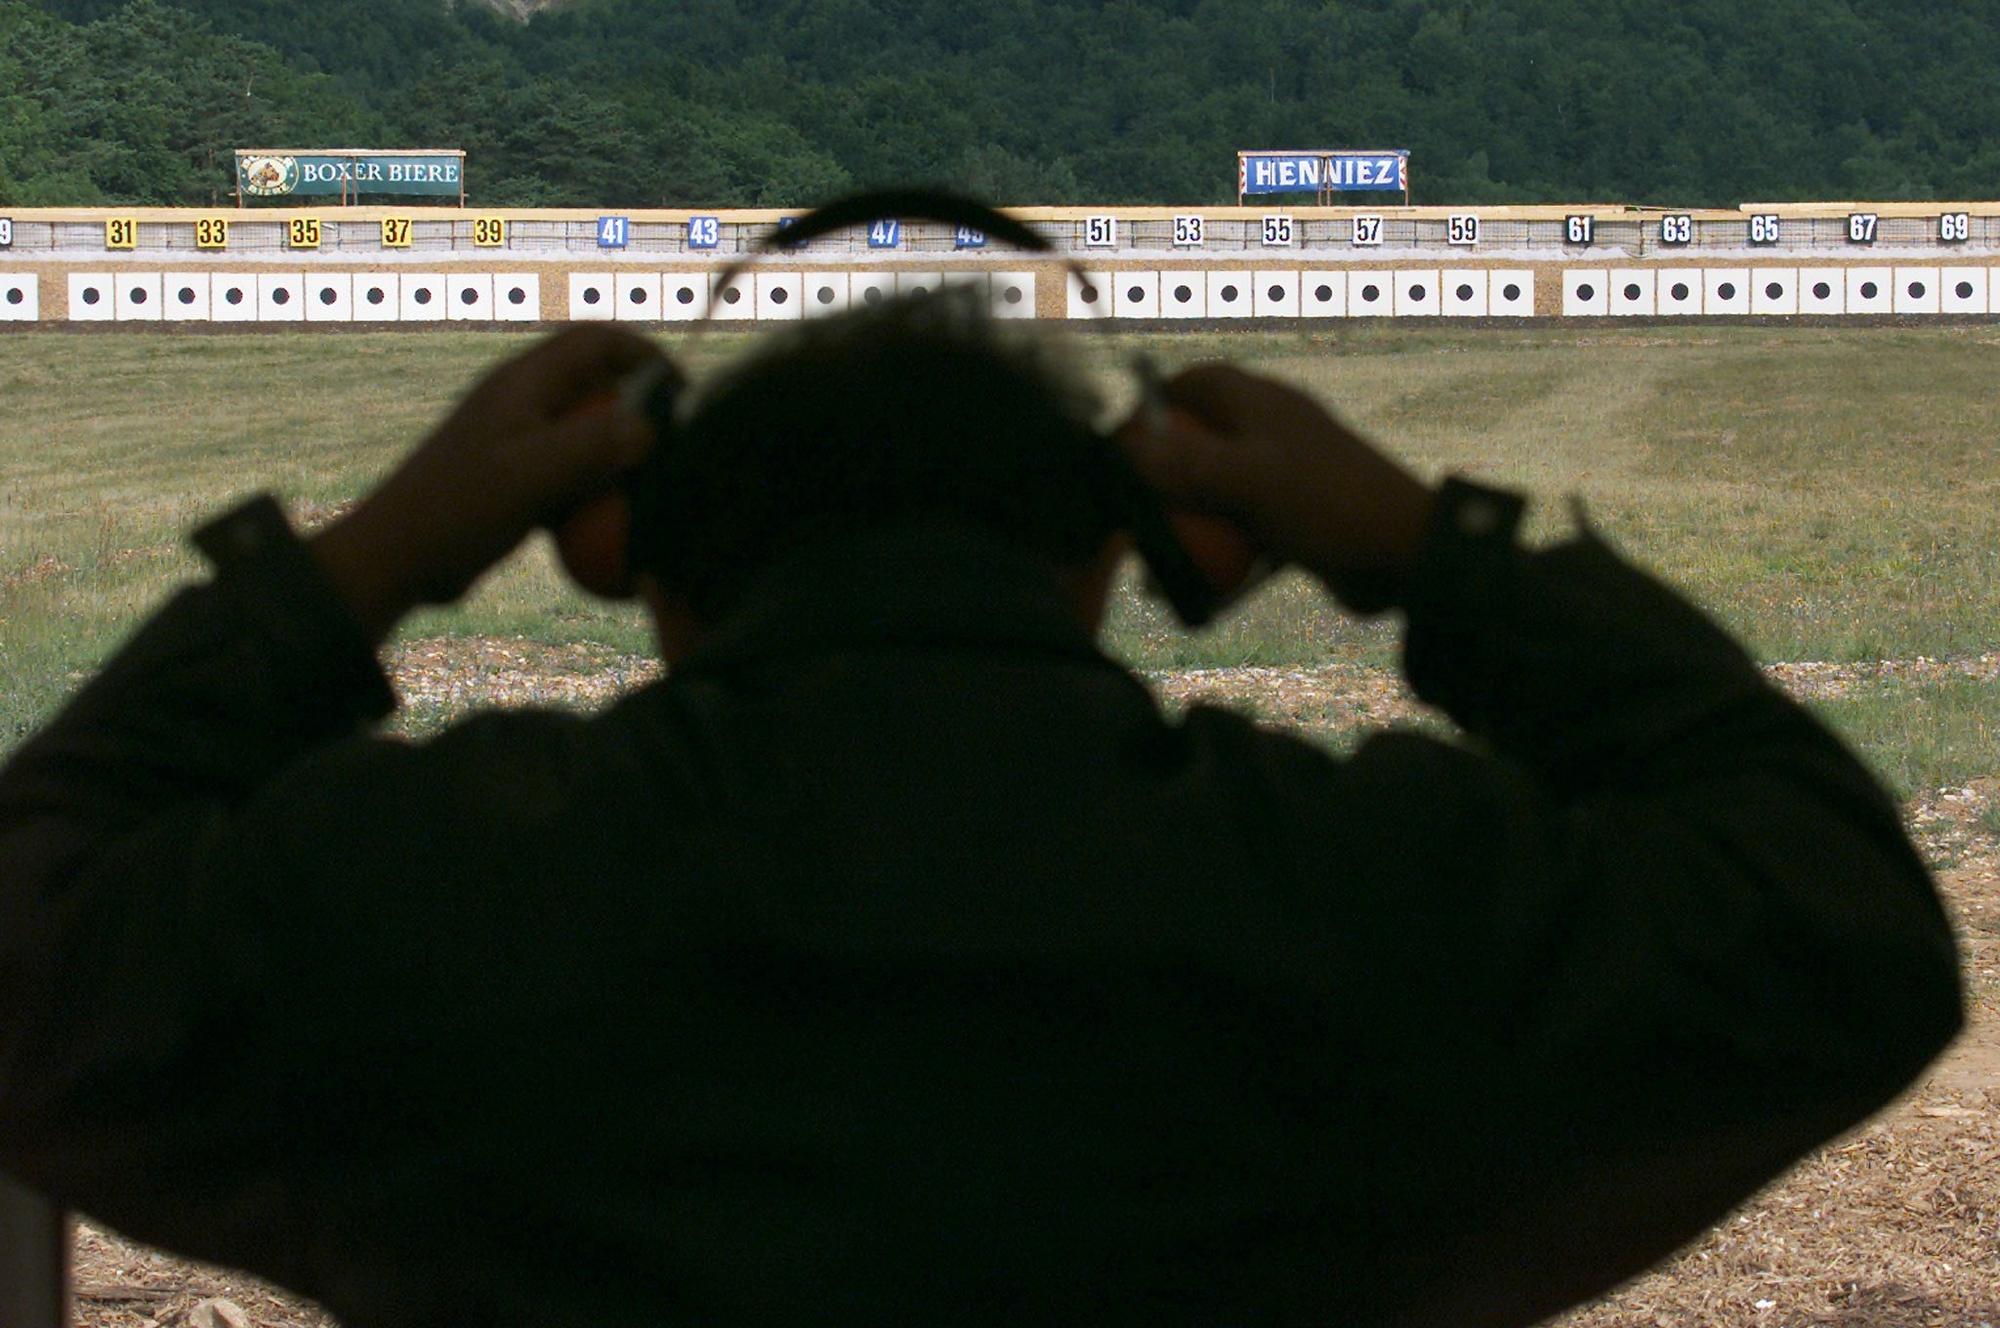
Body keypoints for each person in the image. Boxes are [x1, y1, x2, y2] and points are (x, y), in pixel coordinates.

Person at [0, 301, 1961, 1328]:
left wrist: (377, 553)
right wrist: (1421, 549)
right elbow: (1836, 925)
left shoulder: (440, 886)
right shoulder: (1346, 881)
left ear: (640, 560)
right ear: (1117, 564)